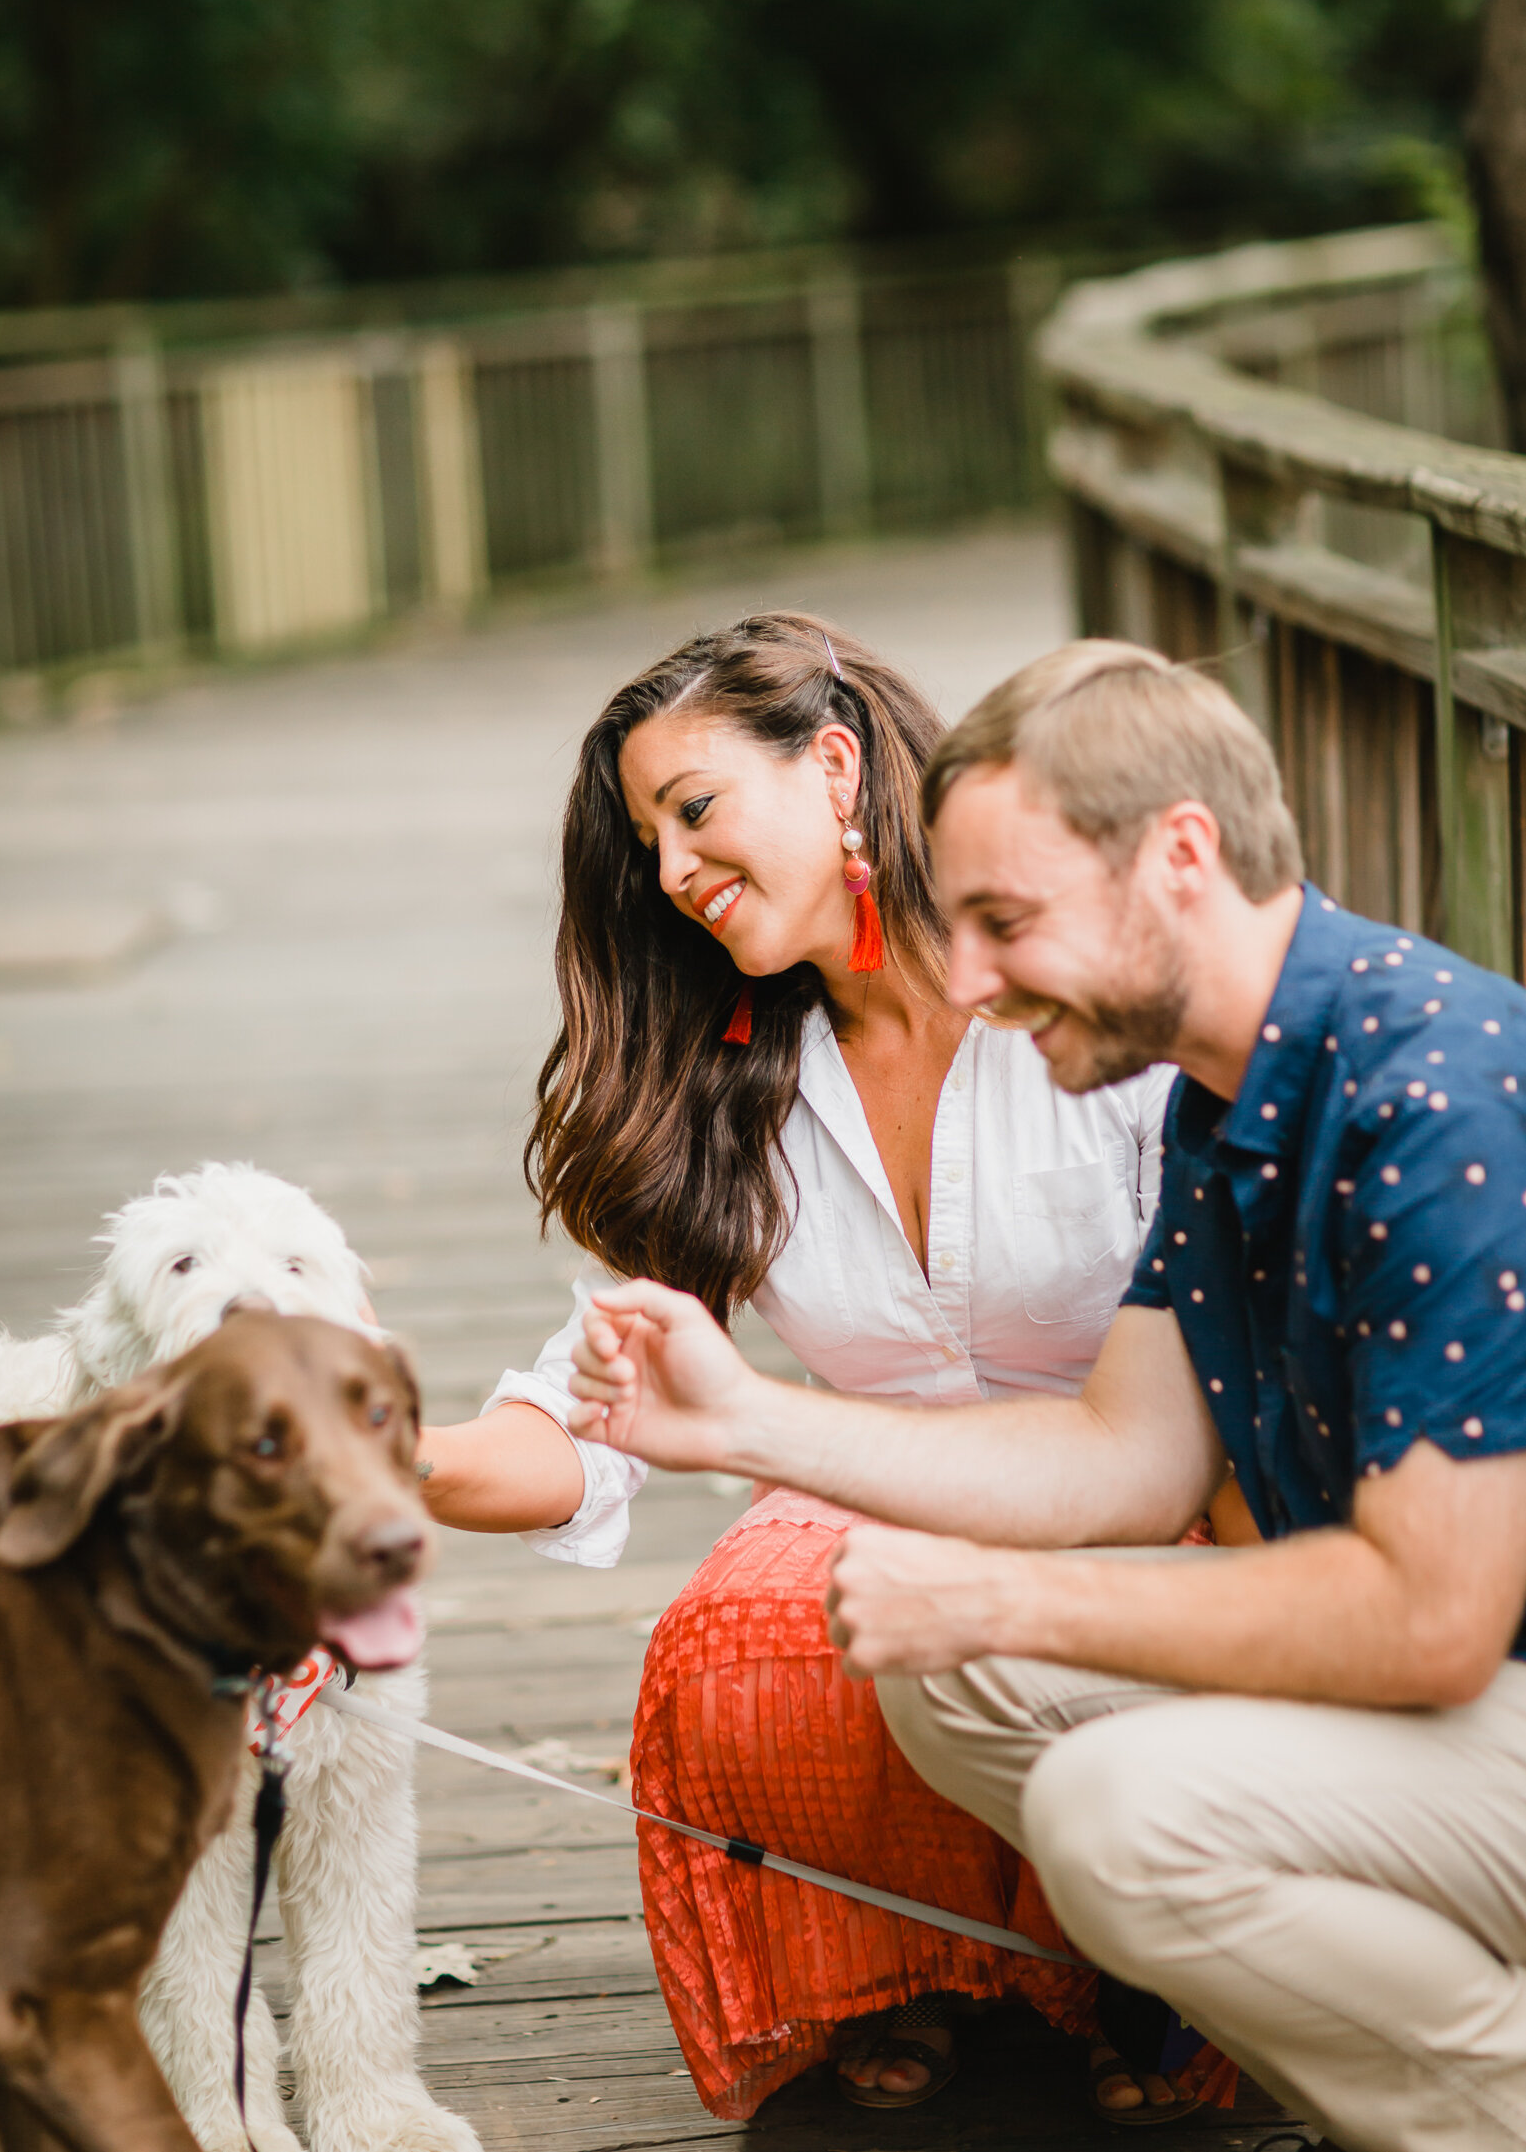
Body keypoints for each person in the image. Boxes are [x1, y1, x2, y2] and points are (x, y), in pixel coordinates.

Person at [566, 635, 1526, 2152]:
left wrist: (1010, 1602)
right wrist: (737, 1418)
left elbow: (1432, 1619)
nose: (974, 977)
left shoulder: (1434, 1100)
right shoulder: (1234, 1087)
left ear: (1180, 860)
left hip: (1484, 1692)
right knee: (946, 1677)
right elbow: (1122, 1458)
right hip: (1463, 1705)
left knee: (1110, 1815)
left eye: (1006, 922)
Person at [411, 614, 1226, 2122]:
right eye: (647, 840)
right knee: (739, 1627)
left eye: (694, 807)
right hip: (887, 1499)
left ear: (834, 764)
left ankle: (1143, 1968)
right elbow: (588, 1419)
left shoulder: (1065, 985)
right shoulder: (738, 1076)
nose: (668, 870)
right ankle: (918, 1966)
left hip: (1152, 1478)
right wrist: (388, 1460)